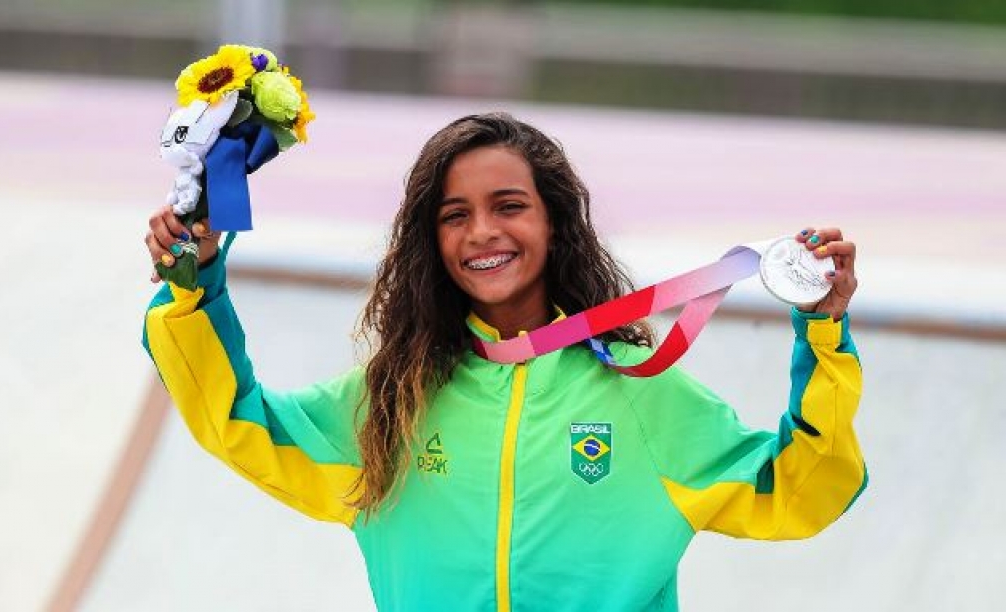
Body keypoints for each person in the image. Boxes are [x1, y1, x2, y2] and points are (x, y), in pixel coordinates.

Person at [143, 113, 865, 611]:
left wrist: (822, 331)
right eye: (455, 214)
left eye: (508, 205)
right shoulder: (391, 401)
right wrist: (195, 280)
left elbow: (802, 489)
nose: (482, 231)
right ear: (433, 241)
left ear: (554, 221)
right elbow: (237, 418)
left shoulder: (640, 398)